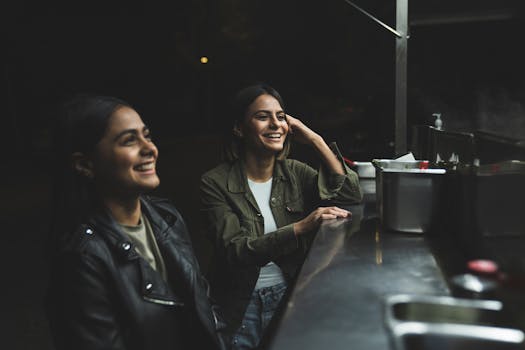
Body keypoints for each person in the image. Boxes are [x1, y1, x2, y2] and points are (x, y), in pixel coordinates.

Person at [46, 95, 226, 350]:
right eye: (129, 141)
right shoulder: (81, 258)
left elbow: (205, 304)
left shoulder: (167, 217)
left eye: (147, 136)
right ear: (85, 164)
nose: (149, 148)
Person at [200, 84, 362, 349]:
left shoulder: (295, 173)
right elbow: (235, 249)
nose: (275, 124)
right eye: (262, 116)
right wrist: (301, 227)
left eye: (281, 117)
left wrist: (314, 140)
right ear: (239, 128)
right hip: (241, 307)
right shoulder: (214, 182)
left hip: (290, 297)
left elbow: (349, 194)